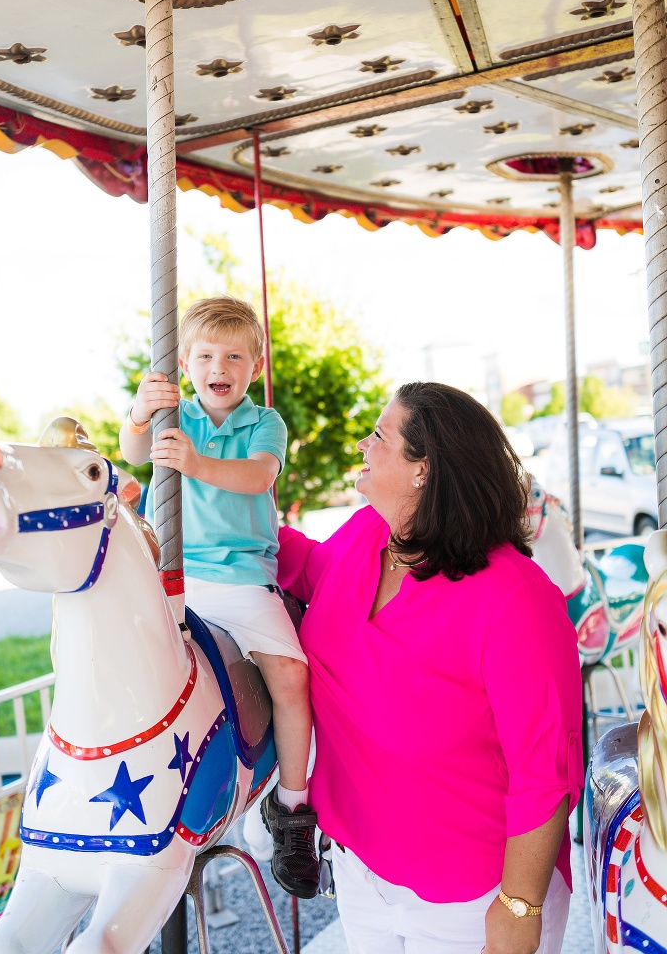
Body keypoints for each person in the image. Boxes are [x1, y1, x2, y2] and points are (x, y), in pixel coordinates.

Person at [276, 382, 583, 954]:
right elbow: (313, 570)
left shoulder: (516, 599)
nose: (365, 446)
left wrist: (518, 911)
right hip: (362, 873)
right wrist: (215, 524)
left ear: (425, 469)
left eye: (381, 437)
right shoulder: (372, 535)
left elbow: (545, 775)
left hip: (474, 900)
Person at [119, 296, 319, 898]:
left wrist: (196, 462)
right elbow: (133, 453)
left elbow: (258, 476)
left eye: (234, 355)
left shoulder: (264, 424)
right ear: (184, 364)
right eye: (205, 354)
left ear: (254, 367)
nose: (219, 365)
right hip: (174, 574)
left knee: (290, 676)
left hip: (238, 577)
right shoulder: (172, 415)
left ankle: (292, 808)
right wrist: (139, 414)